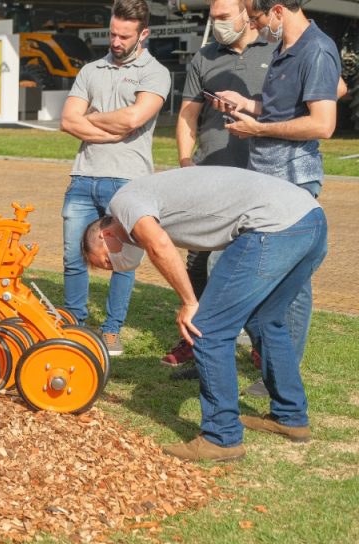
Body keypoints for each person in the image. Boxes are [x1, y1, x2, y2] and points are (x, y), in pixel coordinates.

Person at [82, 166, 326, 462]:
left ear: (106, 234)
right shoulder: (146, 197)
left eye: (107, 260)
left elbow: (159, 244)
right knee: (265, 320)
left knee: (207, 329)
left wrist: (189, 302)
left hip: (272, 226)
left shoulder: (124, 203)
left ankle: (221, 437)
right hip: (310, 219)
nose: (114, 266)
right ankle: (291, 417)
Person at [213, 0, 343, 396]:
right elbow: (278, 111)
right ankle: (270, 367)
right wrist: (246, 108)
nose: (254, 26)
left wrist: (257, 131)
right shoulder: (284, 49)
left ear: (278, 10)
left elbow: (323, 124)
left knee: (292, 285)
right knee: (261, 276)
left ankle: (281, 375)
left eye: (255, 18)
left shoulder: (316, 50)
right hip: (266, 180)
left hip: (292, 183)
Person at [161, 0, 275, 374]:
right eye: (213, 18)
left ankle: (261, 345)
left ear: (246, 12)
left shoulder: (276, 51)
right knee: (198, 259)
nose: (218, 25)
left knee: (259, 264)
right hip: (211, 176)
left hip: (262, 177)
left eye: (224, 17)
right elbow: (188, 115)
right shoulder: (204, 58)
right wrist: (184, 163)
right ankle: (197, 340)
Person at [58, 0, 171, 356]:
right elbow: (67, 121)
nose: (116, 41)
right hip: (83, 175)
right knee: (73, 255)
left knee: (123, 259)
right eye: (112, 33)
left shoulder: (155, 73)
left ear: (144, 34)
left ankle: (111, 330)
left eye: (124, 36)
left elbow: (133, 120)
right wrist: (111, 126)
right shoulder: (91, 69)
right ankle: (75, 324)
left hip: (129, 180)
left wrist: (91, 119)